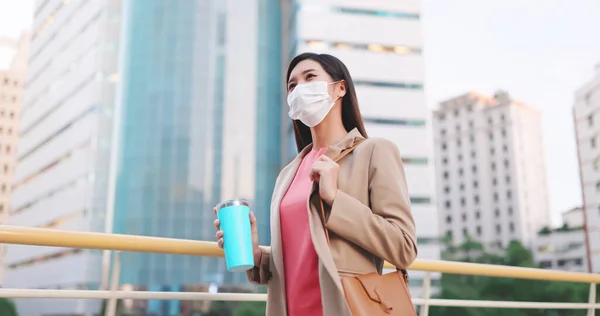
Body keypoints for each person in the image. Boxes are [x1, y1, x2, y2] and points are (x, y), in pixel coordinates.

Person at [214, 53, 417, 316]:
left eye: (310, 77)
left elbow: (404, 248)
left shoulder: (375, 151)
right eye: (292, 85)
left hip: (345, 308)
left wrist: (336, 200)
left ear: (340, 88)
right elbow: (299, 258)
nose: (299, 88)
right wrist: (256, 255)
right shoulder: (288, 173)